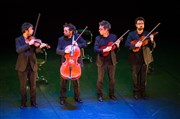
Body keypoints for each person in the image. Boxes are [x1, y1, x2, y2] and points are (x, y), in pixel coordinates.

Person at [15, 22, 47, 108]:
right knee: (23, 86)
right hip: (22, 66)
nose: (32, 30)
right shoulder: (18, 40)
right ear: (26, 30)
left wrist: (40, 47)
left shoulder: (33, 39)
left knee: (33, 85)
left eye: (33, 29)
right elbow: (18, 50)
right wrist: (28, 44)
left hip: (32, 65)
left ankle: (33, 102)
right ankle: (23, 102)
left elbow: (36, 51)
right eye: (31, 29)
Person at [124, 17, 156, 99]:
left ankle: (143, 92)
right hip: (135, 58)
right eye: (139, 23)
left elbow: (153, 46)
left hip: (145, 58)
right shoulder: (131, 34)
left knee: (144, 77)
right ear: (136, 25)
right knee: (135, 76)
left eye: (142, 23)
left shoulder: (148, 34)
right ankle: (136, 92)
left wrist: (152, 40)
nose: (141, 25)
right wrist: (135, 45)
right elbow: (127, 44)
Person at [56, 23, 87, 105]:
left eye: (66, 31)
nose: (64, 32)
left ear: (71, 31)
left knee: (76, 82)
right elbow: (57, 50)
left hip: (75, 62)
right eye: (64, 30)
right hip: (65, 63)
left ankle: (77, 97)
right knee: (63, 82)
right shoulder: (61, 39)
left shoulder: (77, 37)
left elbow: (85, 44)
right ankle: (62, 98)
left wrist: (78, 45)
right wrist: (64, 51)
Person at [94, 20, 120, 102]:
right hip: (101, 62)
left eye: (100, 29)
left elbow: (115, 50)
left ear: (106, 29)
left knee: (112, 79)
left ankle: (111, 94)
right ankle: (99, 95)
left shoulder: (113, 37)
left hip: (111, 61)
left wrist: (117, 46)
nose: (99, 30)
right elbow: (95, 49)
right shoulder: (98, 38)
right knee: (100, 79)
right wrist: (104, 50)